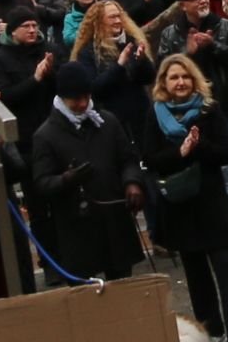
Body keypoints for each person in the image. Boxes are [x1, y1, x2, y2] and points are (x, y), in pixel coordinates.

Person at [146, 55, 228, 342]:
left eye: (185, 76)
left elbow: (225, 153)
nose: (180, 82)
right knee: (196, 274)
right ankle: (211, 331)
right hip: (180, 206)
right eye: (173, 77)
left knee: (227, 270)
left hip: (211, 203)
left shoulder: (208, 110)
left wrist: (198, 147)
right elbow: (153, 160)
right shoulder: (155, 115)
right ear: (164, 83)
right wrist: (180, 152)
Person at [26, 62, 142, 284]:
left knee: (124, 290)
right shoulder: (46, 135)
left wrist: (132, 182)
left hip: (113, 221)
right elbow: (41, 183)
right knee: (85, 299)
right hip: (77, 230)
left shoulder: (106, 121)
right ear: (62, 99)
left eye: (85, 98)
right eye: (75, 100)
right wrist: (66, 179)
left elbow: (128, 158)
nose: (81, 104)